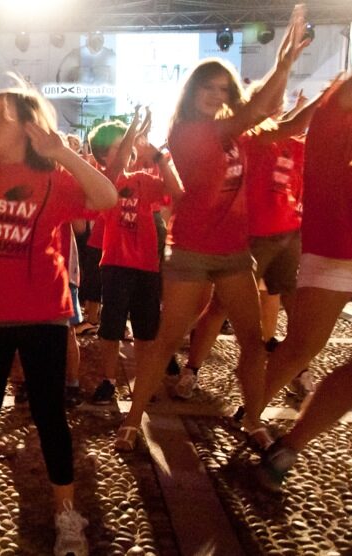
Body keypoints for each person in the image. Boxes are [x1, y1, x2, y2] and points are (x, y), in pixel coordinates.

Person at [114, 5, 309, 452]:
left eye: (223, 88)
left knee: (254, 342)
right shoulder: (187, 131)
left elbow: (285, 120)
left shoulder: (235, 132)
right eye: (208, 85)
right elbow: (258, 108)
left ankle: (254, 420)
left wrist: (313, 85)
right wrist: (282, 64)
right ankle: (133, 418)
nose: (215, 93)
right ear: (193, 90)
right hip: (191, 251)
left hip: (235, 253)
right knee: (166, 339)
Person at [0, 83, 117, 556]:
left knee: (49, 413)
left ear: (29, 127)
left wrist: (64, 154)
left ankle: (66, 511)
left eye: (3, 116)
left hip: (44, 313)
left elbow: (106, 198)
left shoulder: (55, 178)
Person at [179, 89, 322, 401]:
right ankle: (192, 368)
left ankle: (299, 368)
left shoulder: (292, 143)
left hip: (288, 234)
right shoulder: (251, 137)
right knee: (220, 306)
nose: (274, 106)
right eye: (270, 101)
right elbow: (292, 126)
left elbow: (303, 147)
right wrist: (323, 99)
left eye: (276, 102)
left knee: (295, 307)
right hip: (252, 235)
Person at [258, 75, 352, 491]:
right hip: (336, 244)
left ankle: (288, 447)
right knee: (301, 348)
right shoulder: (340, 100)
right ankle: (250, 412)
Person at [87, 111, 183, 405]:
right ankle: (108, 380)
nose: (128, 150)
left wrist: (158, 157)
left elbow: (176, 191)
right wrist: (132, 132)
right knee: (111, 328)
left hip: (146, 265)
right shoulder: (104, 180)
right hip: (116, 264)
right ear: (104, 154)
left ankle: (144, 382)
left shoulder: (143, 179)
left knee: (146, 330)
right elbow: (116, 168)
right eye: (120, 146)